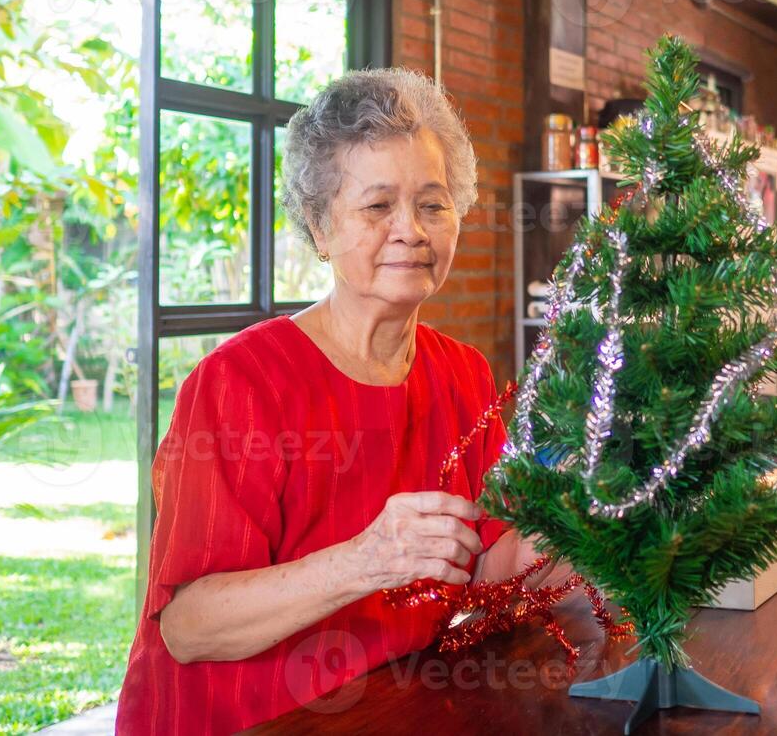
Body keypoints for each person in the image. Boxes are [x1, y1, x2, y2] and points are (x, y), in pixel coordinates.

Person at [117, 68, 552, 734]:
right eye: (377, 207)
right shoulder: (239, 384)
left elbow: (487, 560)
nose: (410, 229)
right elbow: (188, 628)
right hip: (246, 721)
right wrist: (366, 559)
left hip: (387, 712)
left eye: (433, 204)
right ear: (319, 229)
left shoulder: (462, 373)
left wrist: (577, 537)